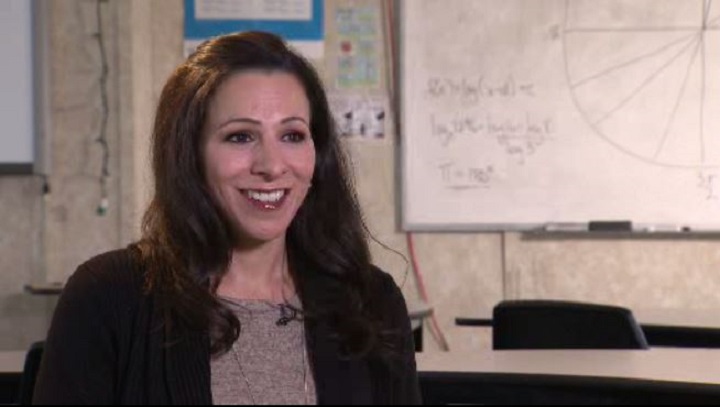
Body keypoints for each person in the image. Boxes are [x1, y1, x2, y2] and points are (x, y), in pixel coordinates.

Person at [33, 31, 421, 405]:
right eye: (240, 136)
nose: (272, 166)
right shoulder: (108, 298)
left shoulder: (372, 302)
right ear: (189, 154)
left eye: (292, 135)